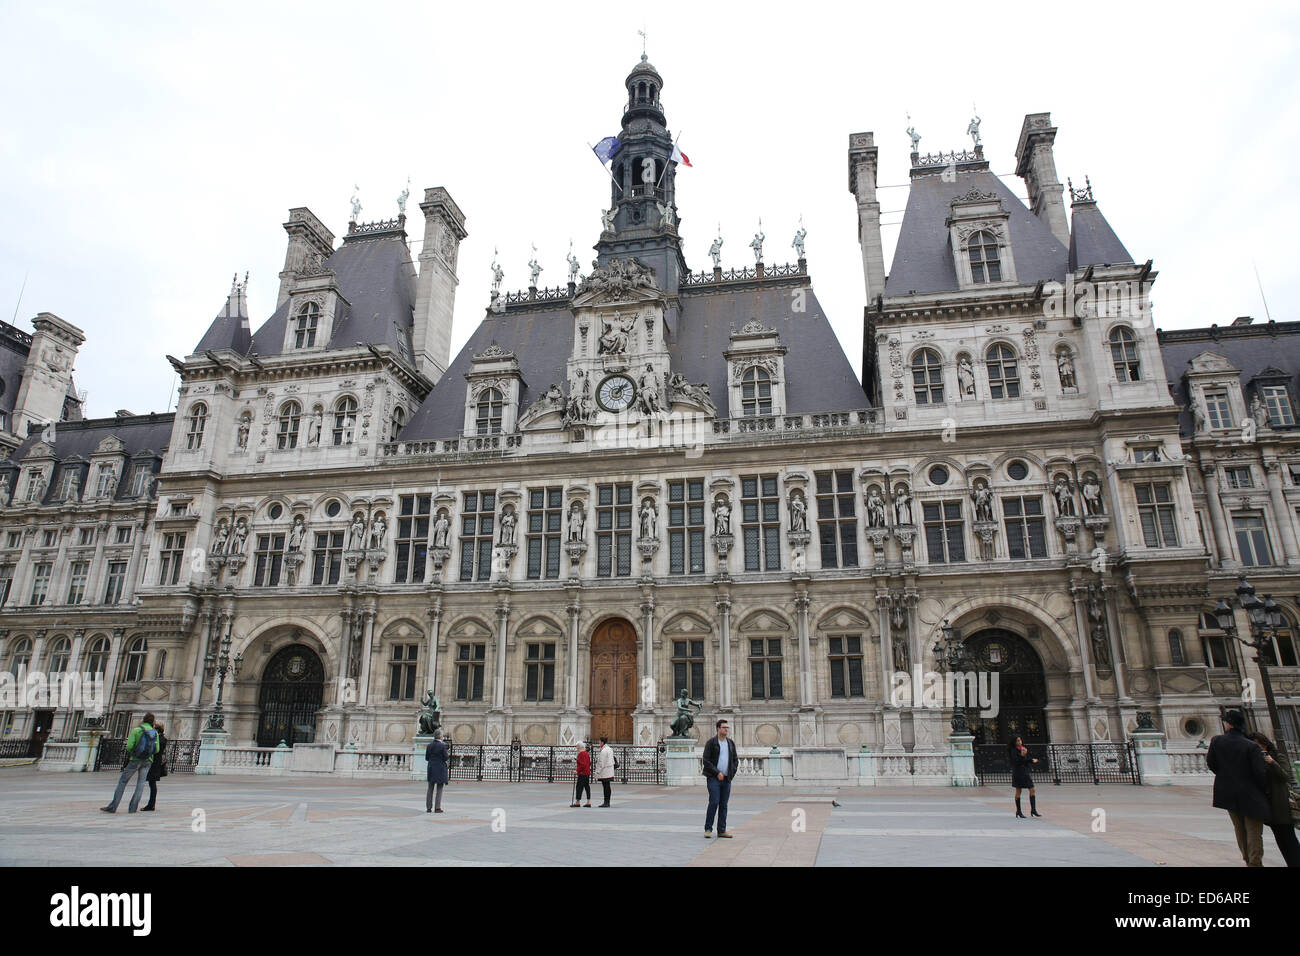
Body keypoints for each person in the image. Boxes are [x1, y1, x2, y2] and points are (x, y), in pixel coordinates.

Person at [1206, 709, 1271, 866]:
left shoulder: (1216, 741)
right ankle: (1255, 863)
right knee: (1254, 831)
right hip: (1251, 793)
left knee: (1239, 829)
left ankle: (1247, 859)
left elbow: (1211, 764)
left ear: (1229, 724)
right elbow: (1259, 773)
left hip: (1228, 792)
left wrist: (1226, 777)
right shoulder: (1251, 746)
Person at [1246, 732, 1299, 867]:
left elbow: (1285, 776)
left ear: (1264, 745)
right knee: (1281, 841)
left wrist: (1272, 762)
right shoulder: (1254, 761)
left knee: (1289, 839)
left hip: (1282, 806)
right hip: (1270, 808)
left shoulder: (1278, 757)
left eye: (1257, 745)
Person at [101, 713, 160, 814]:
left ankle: (113, 806)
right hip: (148, 761)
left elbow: (129, 746)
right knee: (140, 784)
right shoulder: (154, 732)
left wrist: (135, 753)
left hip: (135, 759)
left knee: (123, 782)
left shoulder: (137, 730)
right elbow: (157, 749)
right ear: (153, 722)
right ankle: (133, 808)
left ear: (143, 720)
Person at [702, 718, 737, 838]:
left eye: (727, 728)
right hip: (713, 778)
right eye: (724, 728)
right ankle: (708, 829)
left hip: (727, 779)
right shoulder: (711, 743)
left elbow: (735, 760)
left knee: (724, 804)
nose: (726, 730)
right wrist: (717, 773)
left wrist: (731, 773)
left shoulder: (730, 743)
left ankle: (722, 830)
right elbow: (706, 760)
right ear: (718, 729)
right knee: (714, 802)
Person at [1007, 736, 1041, 818]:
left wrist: (1032, 760)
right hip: (1018, 772)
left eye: (1020, 740)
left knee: (1032, 789)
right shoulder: (1013, 751)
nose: (1019, 742)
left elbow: (1026, 759)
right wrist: (1022, 755)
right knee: (1018, 791)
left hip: (1025, 772)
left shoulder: (1023, 749)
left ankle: (1033, 809)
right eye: (1017, 740)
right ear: (1014, 742)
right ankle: (1018, 811)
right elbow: (1016, 762)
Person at [141, 722, 168, 811]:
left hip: (155, 763)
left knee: (152, 784)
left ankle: (151, 804)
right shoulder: (160, 738)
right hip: (155, 763)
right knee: (151, 783)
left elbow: (156, 749)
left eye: (154, 728)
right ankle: (151, 804)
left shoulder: (160, 739)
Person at [425, 728, 449, 813]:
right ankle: (437, 807)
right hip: (440, 768)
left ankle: (428, 807)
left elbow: (427, 758)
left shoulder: (429, 745)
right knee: (439, 788)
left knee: (430, 788)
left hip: (431, 767)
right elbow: (446, 757)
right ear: (440, 736)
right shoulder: (442, 746)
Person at [594, 736, 616, 807]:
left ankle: (606, 802)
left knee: (605, 787)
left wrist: (597, 772)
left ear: (602, 742)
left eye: (599, 742)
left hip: (605, 771)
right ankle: (607, 801)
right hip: (609, 770)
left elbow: (601, 763)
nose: (599, 743)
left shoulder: (603, 751)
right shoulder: (609, 749)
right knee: (607, 786)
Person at [571, 743, 592, 807]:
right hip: (587, 772)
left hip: (582, 773)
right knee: (587, 787)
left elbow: (582, 764)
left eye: (577, 747)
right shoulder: (586, 754)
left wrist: (577, 771)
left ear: (580, 747)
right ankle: (588, 801)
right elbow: (589, 763)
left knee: (579, 787)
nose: (577, 748)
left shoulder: (581, 754)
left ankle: (577, 802)